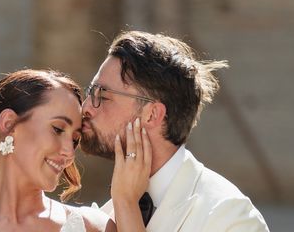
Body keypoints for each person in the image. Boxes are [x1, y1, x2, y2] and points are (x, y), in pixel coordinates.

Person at [81, 31, 270, 232]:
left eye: (102, 95)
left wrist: (127, 204)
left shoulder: (229, 216)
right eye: (90, 91)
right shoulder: (104, 213)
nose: (85, 107)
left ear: (152, 114)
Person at [0, 68, 150, 232]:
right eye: (57, 129)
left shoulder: (91, 226)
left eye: (74, 140)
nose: (69, 153)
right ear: (9, 124)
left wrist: (127, 201)